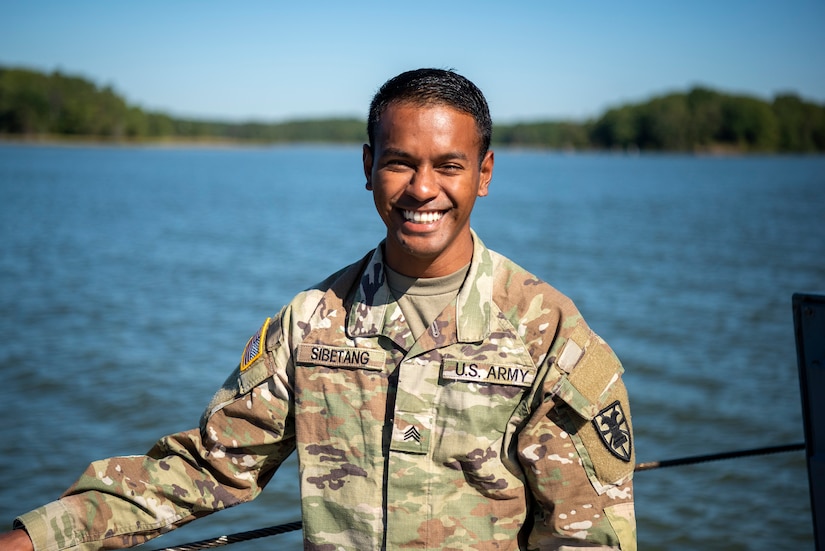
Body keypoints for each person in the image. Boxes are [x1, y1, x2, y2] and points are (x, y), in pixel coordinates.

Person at [0, 68, 636, 550]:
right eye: (399, 163)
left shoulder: (551, 337)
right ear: (367, 167)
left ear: (485, 173)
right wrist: (38, 536)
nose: (422, 189)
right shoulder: (309, 324)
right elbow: (206, 469)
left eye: (449, 165)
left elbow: (590, 535)